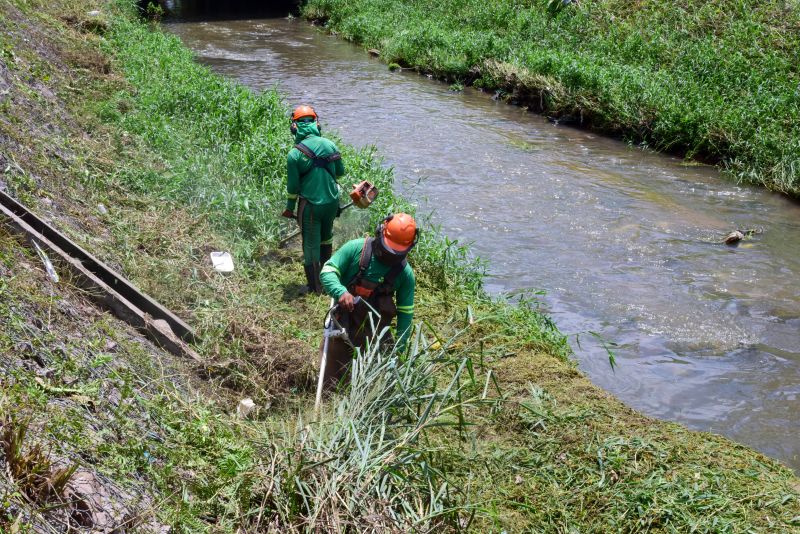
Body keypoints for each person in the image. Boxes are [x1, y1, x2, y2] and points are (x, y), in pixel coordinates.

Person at [319, 213, 418, 385]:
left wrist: (400, 353)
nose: (391, 257)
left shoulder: (405, 275)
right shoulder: (356, 249)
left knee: (374, 384)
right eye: (389, 250)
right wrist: (341, 292)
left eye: (397, 253)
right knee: (331, 382)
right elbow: (328, 271)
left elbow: (405, 316)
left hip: (376, 335)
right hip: (343, 326)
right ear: (380, 232)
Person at [282, 105, 346, 294]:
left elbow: (293, 188)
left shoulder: (294, 154)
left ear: (294, 128)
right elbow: (340, 172)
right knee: (326, 239)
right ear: (317, 125)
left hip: (311, 206)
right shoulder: (330, 144)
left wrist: (289, 208)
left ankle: (315, 287)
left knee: (310, 244)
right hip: (332, 203)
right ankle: (328, 279)